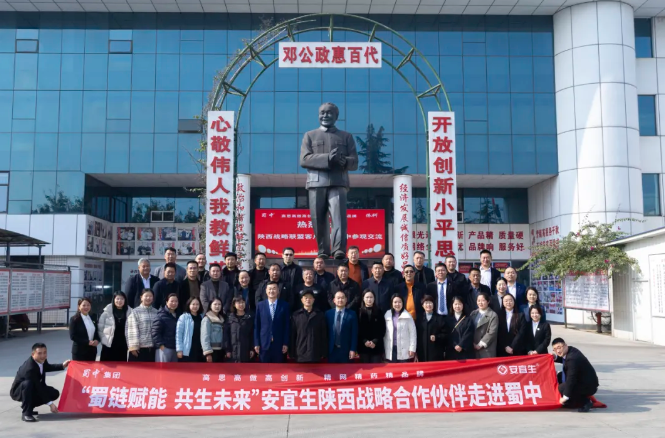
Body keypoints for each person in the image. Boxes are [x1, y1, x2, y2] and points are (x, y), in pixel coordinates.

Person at [299, 102, 358, 259]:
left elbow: (354, 162)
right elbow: (304, 159)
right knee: (318, 219)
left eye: (329, 113)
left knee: (339, 218)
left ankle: (338, 249)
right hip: (316, 182)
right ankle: (323, 250)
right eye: (322, 113)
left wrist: (344, 161)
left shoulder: (346, 136)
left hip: (338, 182)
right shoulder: (309, 135)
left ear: (336, 116)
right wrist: (327, 158)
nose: (325, 115)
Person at [10, 343, 70, 422]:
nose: (43, 356)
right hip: (19, 391)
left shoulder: (41, 360)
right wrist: (50, 404)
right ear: (33, 354)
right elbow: (38, 387)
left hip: (33, 387)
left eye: (45, 352)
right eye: (39, 353)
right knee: (28, 384)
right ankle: (26, 413)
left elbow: (47, 367)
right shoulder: (30, 368)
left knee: (54, 393)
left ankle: (29, 406)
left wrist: (62, 365)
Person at [552, 338, 599, 412]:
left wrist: (565, 397)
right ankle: (572, 399)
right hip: (581, 378)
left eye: (559, 347)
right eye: (555, 349)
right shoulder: (570, 350)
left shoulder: (573, 358)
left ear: (565, 345)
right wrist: (555, 357)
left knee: (561, 388)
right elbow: (564, 359)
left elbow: (571, 379)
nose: (558, 351)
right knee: (558, 376)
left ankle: (585, 401)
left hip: (588, 385)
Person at [254, 282, 290, 363]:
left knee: (279, 369)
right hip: (264, 344)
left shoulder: (284, 305)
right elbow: (257, 325)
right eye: (269, 289)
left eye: (274, 289)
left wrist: (285, 343)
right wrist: (257, 343)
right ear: (266, 291)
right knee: (264, 369)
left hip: (279, 344)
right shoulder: (260, 305)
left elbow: (287, 326)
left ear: (278, 291)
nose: (271, 291)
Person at [290, 289, 328, 363]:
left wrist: (324, 352)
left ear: (313, 300)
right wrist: (292, 352)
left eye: (310, 298)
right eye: (306, 298)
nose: (308, 300)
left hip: (315, 353)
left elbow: (323, 335)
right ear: (302, 300)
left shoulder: (319, 315)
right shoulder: (296, 315)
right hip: (300, 353)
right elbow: (292, 335)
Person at [127, 288, 159, 362]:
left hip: (153, 348)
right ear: (141, 297)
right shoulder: (135, 312)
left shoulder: (156, 312)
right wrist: (133, 347)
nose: (148, 298)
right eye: (146, 296)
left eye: (150, 296)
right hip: (139, 349)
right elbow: (132, 330)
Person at [326, 291, 358, 363]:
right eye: (338, 298)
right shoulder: (328, 314)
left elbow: (354, 333)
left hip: (346, 350)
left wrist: (353, 349)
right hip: (332, 350)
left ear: (346, 300)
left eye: (342, 298)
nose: (340, 300)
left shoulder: (352, 314)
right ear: (334, 300)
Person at [98, 291, 132, 362]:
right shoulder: (107, 312)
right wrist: (103, 339)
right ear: (114, 299)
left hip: (123, 344)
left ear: (125, 300)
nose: (119, 301)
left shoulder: (130, 312)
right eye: (117, 298)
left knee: (121, 365)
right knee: (107, 365)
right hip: (108, 343)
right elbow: (100, 328)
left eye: (122, 299)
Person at [383, 294, 417, 363]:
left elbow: (413, 333)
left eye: (399, 302)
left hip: (404, 349)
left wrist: (412, 348)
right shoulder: (387, 314)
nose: (397, 304)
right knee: (392, 369)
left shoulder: (407, 316)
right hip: (391, 348)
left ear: (402, 303)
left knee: (403, 369)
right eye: (395, 302)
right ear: (392, 303)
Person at [416, 295, 447, 362]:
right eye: (426, 303)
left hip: (436, 353)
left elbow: (445, 334)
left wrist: (437, 337)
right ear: (422, 305)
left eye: (430, 303)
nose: (428, 305)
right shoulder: (419, 319)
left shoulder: (439, 318)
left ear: (433, 304)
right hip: (422, 352)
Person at [357, 290, 385, 363]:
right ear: (363, 298)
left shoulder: (379, 311)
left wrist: (375, 341)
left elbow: (382, 329)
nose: (369, 299)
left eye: (371, 297)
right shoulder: (359, 312)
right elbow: (357, 329)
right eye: (367, 297)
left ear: (374, 298)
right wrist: (364, 341)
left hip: (376, 346)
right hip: (363, 347)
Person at [225, 297, 256, 363]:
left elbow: (252, 334)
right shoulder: (230, 318)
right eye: (239, 303)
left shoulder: (249, 318)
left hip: (245, 349)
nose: (241, 304)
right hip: (233, 351)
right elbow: (227, 335)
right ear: (234, 304)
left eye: (243, 302)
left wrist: (252, 349)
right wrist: (227, 350)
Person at [470, 292, 499, 359]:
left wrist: (480, 344)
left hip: (486, 348)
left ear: (488, 301)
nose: (480, 303)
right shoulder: (473, 313)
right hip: (473, 347)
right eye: (478, 300)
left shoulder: (493, 315)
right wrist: (472, 343)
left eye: (483, 300)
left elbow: (492, 332)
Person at [152, 293, 180, 362]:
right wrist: (160, 345)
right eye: (172, 301)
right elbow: (155, 332)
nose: (174, 303)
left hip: (175, 348)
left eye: (176, 301)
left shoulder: (179, 315)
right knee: (162, 368)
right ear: (167, 302)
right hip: (164, 348)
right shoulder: (161, 315)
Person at [176, 296, 205, 362]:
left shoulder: (202, 317)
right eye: (193, 304)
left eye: (197, 304)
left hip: (199, 348)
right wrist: (179, 350)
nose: (195, 306)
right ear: (189, 305)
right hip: (187, 350)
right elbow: (179, 334)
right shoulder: (184, 317)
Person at [445, 296, 475, 360]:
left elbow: (469, 333)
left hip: (465, 351)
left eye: (459, 304)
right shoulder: (448, 319)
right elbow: (447, 334)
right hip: (451, 350)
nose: (457, 306)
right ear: (452, 305)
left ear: (463, 305)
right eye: (455, 304)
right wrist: (454, 345)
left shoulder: (468, 319)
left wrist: (461, 345)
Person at [202, 297, 225, 363]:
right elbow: (204, 337)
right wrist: (208, 353)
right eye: (215, 304)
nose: (217, 306)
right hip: (211, 351)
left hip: (221, 351)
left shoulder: (222, 319)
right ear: (210, 306)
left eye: (219, 304)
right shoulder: (207, 319)